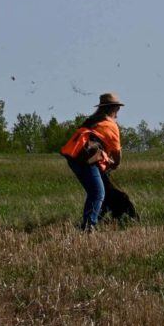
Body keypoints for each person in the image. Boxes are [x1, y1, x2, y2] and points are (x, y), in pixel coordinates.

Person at [60, 92, 125, 231]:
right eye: (118, 108)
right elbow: (117, 152)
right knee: (98, 192)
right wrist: (116, 164)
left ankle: (93, 220)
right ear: (113, 109)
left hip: (74, 159)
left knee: (99, 192)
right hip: (88, 160)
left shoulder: (92, 121)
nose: (118, 111)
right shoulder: (110, 125)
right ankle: (89, 226)